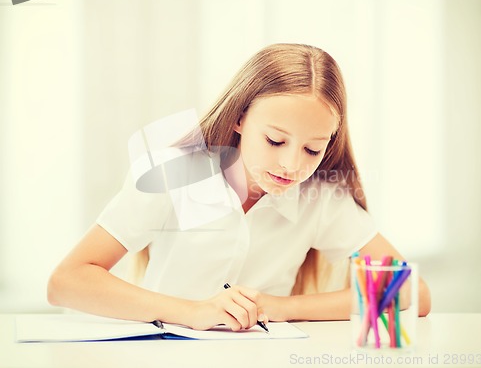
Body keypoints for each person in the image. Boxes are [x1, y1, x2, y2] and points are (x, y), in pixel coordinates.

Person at [47, 43, 431, 332]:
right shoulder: (172, 174)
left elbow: (414, 292)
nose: (292, 166)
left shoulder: (322, 197)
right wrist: (193, 311)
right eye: (276, 141)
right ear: (241, 118)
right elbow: (66, 283)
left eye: (313, 149)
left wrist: (280, 306)